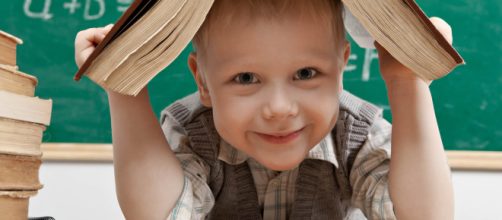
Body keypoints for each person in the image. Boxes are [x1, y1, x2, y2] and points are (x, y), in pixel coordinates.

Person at [74, 0, 454, 219]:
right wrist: (125, 87)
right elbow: (162, 214)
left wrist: (409, 82)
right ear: (203, 82)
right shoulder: (193, 133)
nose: (278, 108)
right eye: (245, 78)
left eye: (306, 73)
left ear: (341, 69)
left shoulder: (357, 133)